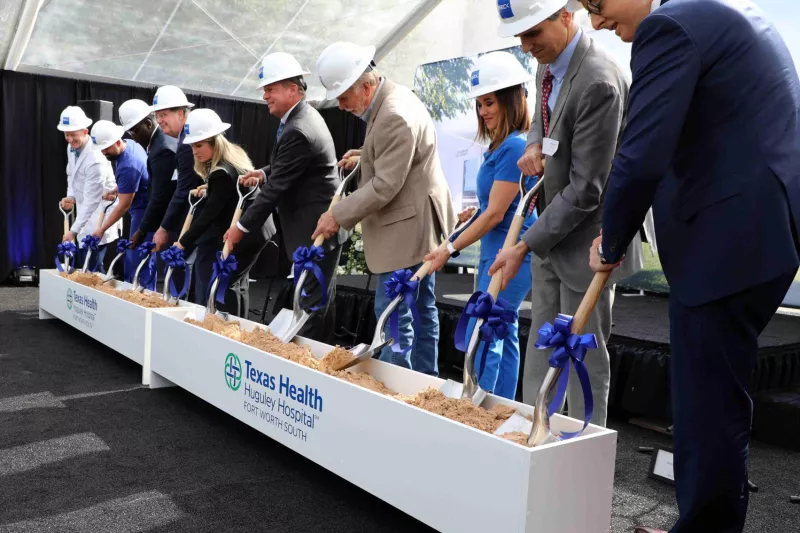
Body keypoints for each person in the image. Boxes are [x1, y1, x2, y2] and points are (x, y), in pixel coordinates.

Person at [579, 1, 800, 532]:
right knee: (715, 396)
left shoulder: (669, 27)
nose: (597, 21)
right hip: (760, 230)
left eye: (598, 3)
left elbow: (641, 155)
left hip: (727, 239)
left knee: (706, 407)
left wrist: (611, 242)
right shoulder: (716, 12)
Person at [487, 0, 642, 426]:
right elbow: (543, 116)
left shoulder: (598, 81)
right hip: (551, 238)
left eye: (533, 33)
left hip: (589, 241)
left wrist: (522, 245)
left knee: (582, 356)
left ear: (566, 17)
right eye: (519, 36)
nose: (526, 45)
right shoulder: (548, 62)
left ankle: (583, 451)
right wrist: (535, 142)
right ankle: (535, 434)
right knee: (542, 344)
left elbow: (587, 190)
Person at [312, 41, 457, 376]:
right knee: (420, 309)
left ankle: (399, 390)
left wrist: (337, 214)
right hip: (420, 221)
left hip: (409, 227)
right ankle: (425, 385)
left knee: (394, 311)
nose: (342, 105)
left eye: (344, 97)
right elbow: (401, 153)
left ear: (366, 85)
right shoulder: (391, 99)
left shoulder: (392, 114)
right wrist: (365, 155)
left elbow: (385, 185)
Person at [423, 51, 536, 400]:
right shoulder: (500, 147)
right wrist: (476, 213)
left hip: (512, 254)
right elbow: (492, 208)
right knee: (503, 328)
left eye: (490, 102)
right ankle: (500, 406)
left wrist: (449, 248)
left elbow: (498, 215)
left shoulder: (515, 145)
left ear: (512, 100)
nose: (483, 111)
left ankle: (480, 403)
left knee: (488, 326)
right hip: (495, 252)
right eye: (480, 104)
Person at [224, 52, 345, 342]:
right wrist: (263, 173)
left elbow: (276, 189)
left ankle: (306, 373)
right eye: (265, 90)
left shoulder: (299, 128)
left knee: (311, 307)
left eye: (270, 89)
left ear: (293, 89)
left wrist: (239, 228)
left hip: (315, 231)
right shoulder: (300, 118)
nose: (265, 96)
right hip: (310, 228)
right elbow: (288, 168)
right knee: (315, 302)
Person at [176, 109, 273, 311]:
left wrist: (182, 243)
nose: (194, 151)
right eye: (192, 145)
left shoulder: (220, 172)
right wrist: (210, 188)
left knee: (226, 284)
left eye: (199, 145)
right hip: (258, 228)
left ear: (214, 142)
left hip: (246, 231)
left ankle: (229, 330)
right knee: (236, 282)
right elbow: (228, 191)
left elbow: (208, 215)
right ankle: (234, 327)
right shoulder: (233, 155)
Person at [57, 106, 120, 272]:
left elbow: (92, 200)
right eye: (66, 134)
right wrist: (71, 196)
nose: (70, 139)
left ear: (85, 132)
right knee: (85, 264)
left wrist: (72, 231)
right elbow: (71, 174)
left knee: (94, 266)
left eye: (73, 135)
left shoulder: (96, 158)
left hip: (99, 212)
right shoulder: (72, 147)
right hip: (85, 210)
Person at [89, 120, 149, 281]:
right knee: (138, 258)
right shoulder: (130, 143)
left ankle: (141, 300)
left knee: (136, 260)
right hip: (142, 205)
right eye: (101, 149)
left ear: (117, 142)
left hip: (143, 211)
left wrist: (101, 229)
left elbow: (123, 206)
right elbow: (137, 179)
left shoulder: (128, 165)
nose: (103, 152)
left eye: (106, 148)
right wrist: (118, 189)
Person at [148, 85, 204, 253]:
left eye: (164, 115)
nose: (159, 121)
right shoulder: (184, 139)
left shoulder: (188, 143)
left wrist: (164, 228)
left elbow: (183, 189)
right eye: (157, 116)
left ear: (181, 113)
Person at [122, 99, 177, 251]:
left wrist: (142, 230)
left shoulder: (162, 149)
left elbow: (160, 195)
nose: (133, 137)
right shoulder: (157, 144)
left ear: (148, 124)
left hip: (169, 223)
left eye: (135, 131)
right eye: (130, 133)